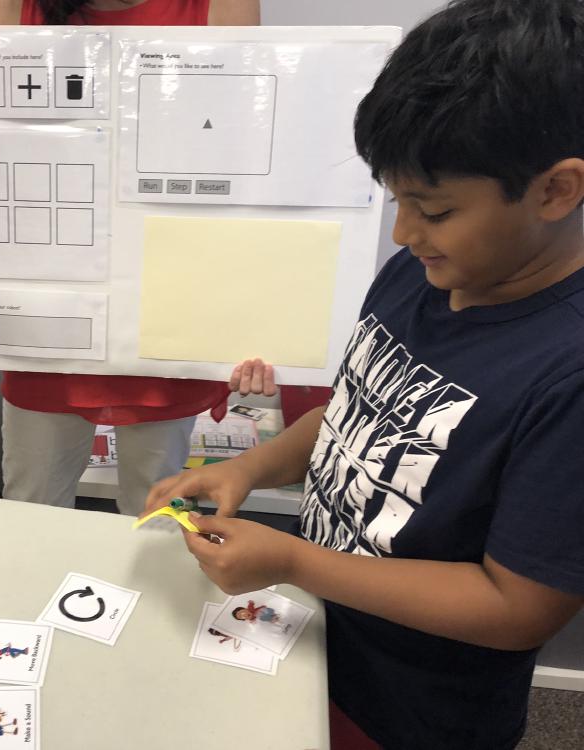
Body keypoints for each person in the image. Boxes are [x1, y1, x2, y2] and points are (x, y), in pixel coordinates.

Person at [146, 1, 584, 747]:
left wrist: (292, 558)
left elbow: (516, 607)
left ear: (555, 190)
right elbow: (359, 406)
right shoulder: (423, 274)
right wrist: (250, 468)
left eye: (435, 209)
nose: (404, 232)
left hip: (417, 713)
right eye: (396, 200)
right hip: (309, 640)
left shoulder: (566, 372)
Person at [0, 0, 270, 518]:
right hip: (47, 310)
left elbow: (247, 153)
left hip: (163, 307)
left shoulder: (219, 4)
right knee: (30, 509)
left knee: (153, 514)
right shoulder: (16, 6)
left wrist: (262, 322)